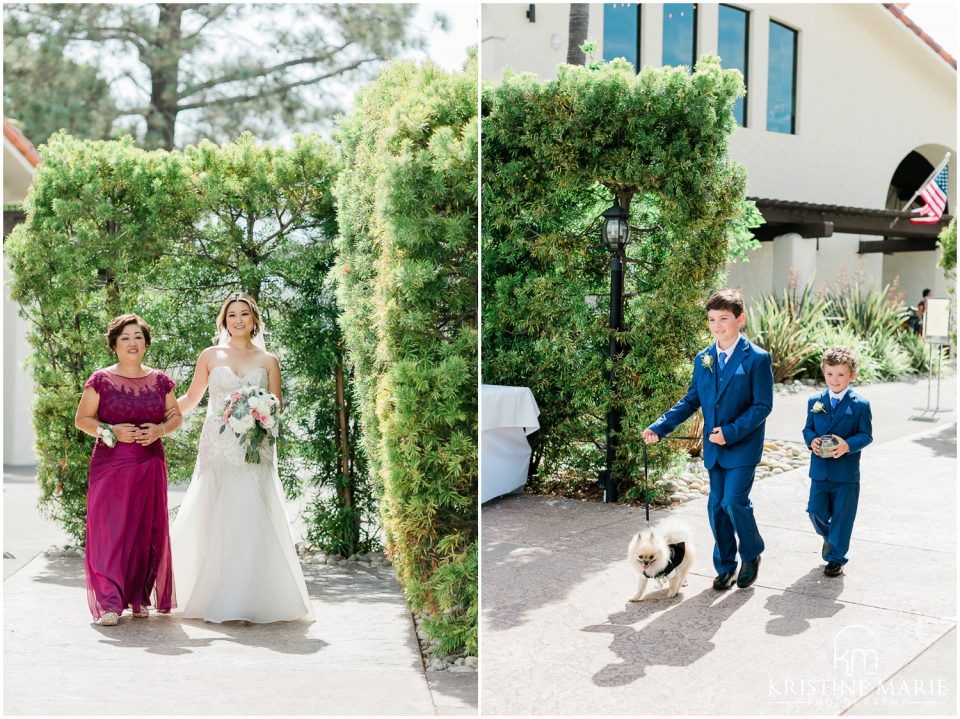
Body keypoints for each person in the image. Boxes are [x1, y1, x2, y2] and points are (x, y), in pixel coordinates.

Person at [170, 292, 314, 623]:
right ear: (224, 320)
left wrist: (258, 413)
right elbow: (192, 399)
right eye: (232, 314)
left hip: (255, 446)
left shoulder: (268, 361)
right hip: (217, 446)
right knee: (214, 512)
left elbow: (277, 406)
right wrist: (158, 414)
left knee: (250, 513)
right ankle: (210, 592)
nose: (238, 319)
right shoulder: (210, 355)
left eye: (244, 314)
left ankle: (250, 596)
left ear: (254, 320)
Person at [643, 289, 773, 591]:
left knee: (733, 501)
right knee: (716, 506)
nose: (717, 325)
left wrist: (731, 431)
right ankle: (726, 566)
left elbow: (762, 406)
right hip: (715, 448)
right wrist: (659, 427)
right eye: (712, 319)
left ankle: (752, 553)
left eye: (724, 319)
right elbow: (691, 400)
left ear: (739, 319)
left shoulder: (756, 358)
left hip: (742, 445)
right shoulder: (704, 358)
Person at [74, 314, 181, 626]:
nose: (132, 343)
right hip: (111, 465)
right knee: (111, 531)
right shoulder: (101, 380)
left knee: (146, 531)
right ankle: (109, 603)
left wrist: (162, 430)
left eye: (138, 337)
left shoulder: (160, 380)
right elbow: (83, 420)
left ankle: (138, 596)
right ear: (114, 345)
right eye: (125, 338)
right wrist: (111, 432)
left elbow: (175, 415)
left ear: (146, 344)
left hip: (150, 464)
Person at [802, 346, 873, 577]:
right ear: (824, 373)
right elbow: (808, 429)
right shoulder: (815, 401)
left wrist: (847, 445)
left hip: (846, 474)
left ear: (852, 376)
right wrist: (811, 440)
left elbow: (866, 435)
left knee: (843, 517)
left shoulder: (860, 405)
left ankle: (836, 558)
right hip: (820, 471)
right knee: (815, 512)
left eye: (841, 374)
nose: (835, 380)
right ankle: (831, 539)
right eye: (830, 374)